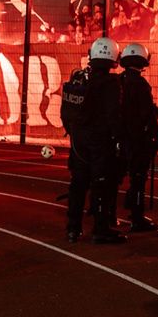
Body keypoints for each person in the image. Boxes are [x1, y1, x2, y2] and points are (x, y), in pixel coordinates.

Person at [63, 37, 126, 244]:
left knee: (78, 184)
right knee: (100, 184)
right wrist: (119, 139)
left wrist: (74, 133)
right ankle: (100, 229)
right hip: (99, 141)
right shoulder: (111, 83)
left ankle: (73, 229)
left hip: (78, 141)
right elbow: (113, 115)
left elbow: (66, 112)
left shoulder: (79, 78)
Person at [119, 42, 158, 232]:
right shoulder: (140, 84)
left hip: (121, 136)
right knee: (138, 177)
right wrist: (155, 133)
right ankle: (137, 218)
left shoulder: (119, 80)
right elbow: (146, 114)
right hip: (137, 137)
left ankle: (108, 214)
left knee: (116, 175)